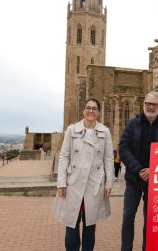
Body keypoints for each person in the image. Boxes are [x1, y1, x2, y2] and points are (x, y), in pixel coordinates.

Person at [53, 98, 114, 251]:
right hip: (73, 183)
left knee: (90, 226)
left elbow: (108, 159)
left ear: (98, 112)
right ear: (83, 110)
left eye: (94, 108)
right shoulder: (72, 130)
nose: (91, 111)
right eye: (88, 108)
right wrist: (61, 182)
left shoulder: (105, 132)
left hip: (94, 184)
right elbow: (64, 156)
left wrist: (109, 183)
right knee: (71, 225)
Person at [119, 91, 158, 251]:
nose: (151, 107)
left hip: (156, 182)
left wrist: (154, 170)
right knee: (128, 218)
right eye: (148, 104)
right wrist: (139, 169)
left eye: (154, 104)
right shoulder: (132, 124)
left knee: (150, 220)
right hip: (133, 180)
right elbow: (123, 148)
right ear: (144, 105)